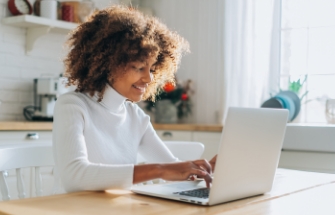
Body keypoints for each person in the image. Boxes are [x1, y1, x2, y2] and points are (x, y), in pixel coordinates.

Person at [53, 5, 217, 193]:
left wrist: (205, 170)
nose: (149, 78)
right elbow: (74, 176)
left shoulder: (135, 116)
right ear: (108, 64)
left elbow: (172, 168)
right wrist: (159, 170)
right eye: (139, 67)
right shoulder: (73, 106)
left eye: (152, 69)